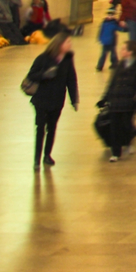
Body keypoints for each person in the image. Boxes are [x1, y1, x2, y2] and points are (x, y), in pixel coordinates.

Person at [25, 31, 80, 170]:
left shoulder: (68, 60)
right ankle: (36, 159)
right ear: (59, 44)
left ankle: (47, 155)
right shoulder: (43, 58)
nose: (70, 44)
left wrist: (74, 99)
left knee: (52, 128)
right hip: (42, 100)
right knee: (40, 128)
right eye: (67, 42)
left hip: (57, 100)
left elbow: (71, 80)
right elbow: (31, 75)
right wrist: (44, 75)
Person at [96, 40, 136, 161]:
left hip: (128, 102)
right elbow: (111, 83)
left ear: (130, 52)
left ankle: (129, 141)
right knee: (114, 127)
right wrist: (104, 98)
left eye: (124, 49)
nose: (121, 51)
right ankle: (115, 153)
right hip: (115, 101)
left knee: (126, 125)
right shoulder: (120, 64)